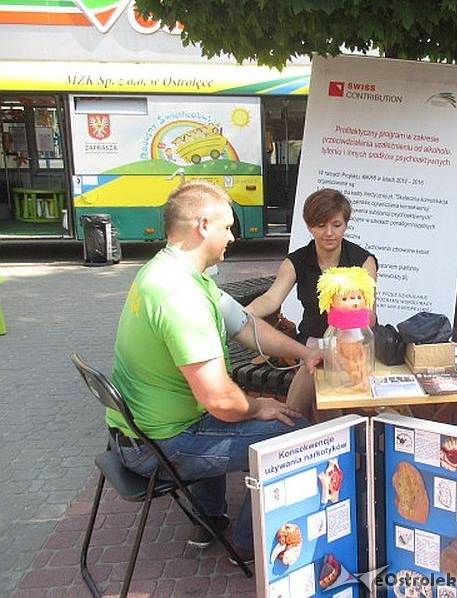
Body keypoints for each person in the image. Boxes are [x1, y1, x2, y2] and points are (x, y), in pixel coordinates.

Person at [108, 180, 323, 562]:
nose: (233, 237)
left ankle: (209, 517)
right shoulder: (181, 297)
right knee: (299, 437)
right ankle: (249, 545)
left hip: (136, 432)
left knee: (222, 414)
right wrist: (260, 407)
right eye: (227, 227)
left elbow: (244, 325)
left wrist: (303, 352)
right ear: (203, 225)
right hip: (158, 447)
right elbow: (221, 401)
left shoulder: (168, 271)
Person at [246, 188, 377, 419]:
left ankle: (291, 423)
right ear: (309, 226)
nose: (329, 233)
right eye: (320, 225)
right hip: (311, 342)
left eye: (336, 225)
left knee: (316, 367)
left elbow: (370, 316)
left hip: (352, 346)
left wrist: (345, 325)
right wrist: (242, 314)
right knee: (314, 360)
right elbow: (270, 298)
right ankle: (324, 435)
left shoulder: (362, 261)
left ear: (346, 224)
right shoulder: (296, 261)